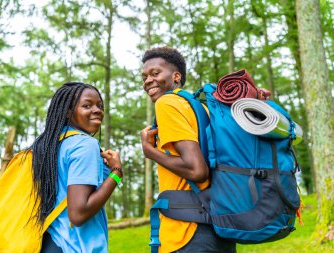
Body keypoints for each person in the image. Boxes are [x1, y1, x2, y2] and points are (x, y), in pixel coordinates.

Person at [140, 47, 236, 253]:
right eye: (144, 76)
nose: (148, 80)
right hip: (217, 228)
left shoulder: (167, 103)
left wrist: (150, 151)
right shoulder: (201, 108)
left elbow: (197, 170)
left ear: (176, 76)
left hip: (186, 233)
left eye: (155, 73)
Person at [31, 82, 123, 253]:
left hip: (48, 243)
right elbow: (79, 214)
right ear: (68, 112)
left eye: (99, 105)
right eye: (87, 105)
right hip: (73, 247)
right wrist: (116, 173)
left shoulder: (50, 145)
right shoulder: (84, 145)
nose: (97, 110)